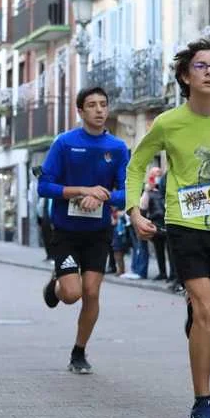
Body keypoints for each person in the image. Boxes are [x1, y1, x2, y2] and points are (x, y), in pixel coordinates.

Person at [126, 38, 210, 418]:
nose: (209, 72)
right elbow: (136, 166)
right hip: (183, 225)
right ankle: (203, 404)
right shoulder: (168, 123)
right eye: (201, 66)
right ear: (185, 75)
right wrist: (134, 211)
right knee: (206, 312)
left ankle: (196, 314)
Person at [38, 86, 130, 374]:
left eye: (103, 104)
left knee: (91, 292)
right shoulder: (64, 143)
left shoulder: (118, 148)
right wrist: (80, 191)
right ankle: (56, 284)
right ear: (80, 111)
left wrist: (102, 196)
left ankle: (79, 351)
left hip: (98, 232)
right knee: (71, 294)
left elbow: (127, 193)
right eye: (92, 105)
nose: (99, 110)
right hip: (65, 230)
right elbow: (44, 186)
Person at [145, 169, 169, 280]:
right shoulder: (149, 192)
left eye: (159, 173)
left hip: (167, 222)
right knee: (159, 251)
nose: (158, 176)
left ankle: (174, 275)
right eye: (155, 174)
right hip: (156, 224)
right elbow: (143, 206)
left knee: (171, 251)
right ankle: (162, 272)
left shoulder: (165, 189)